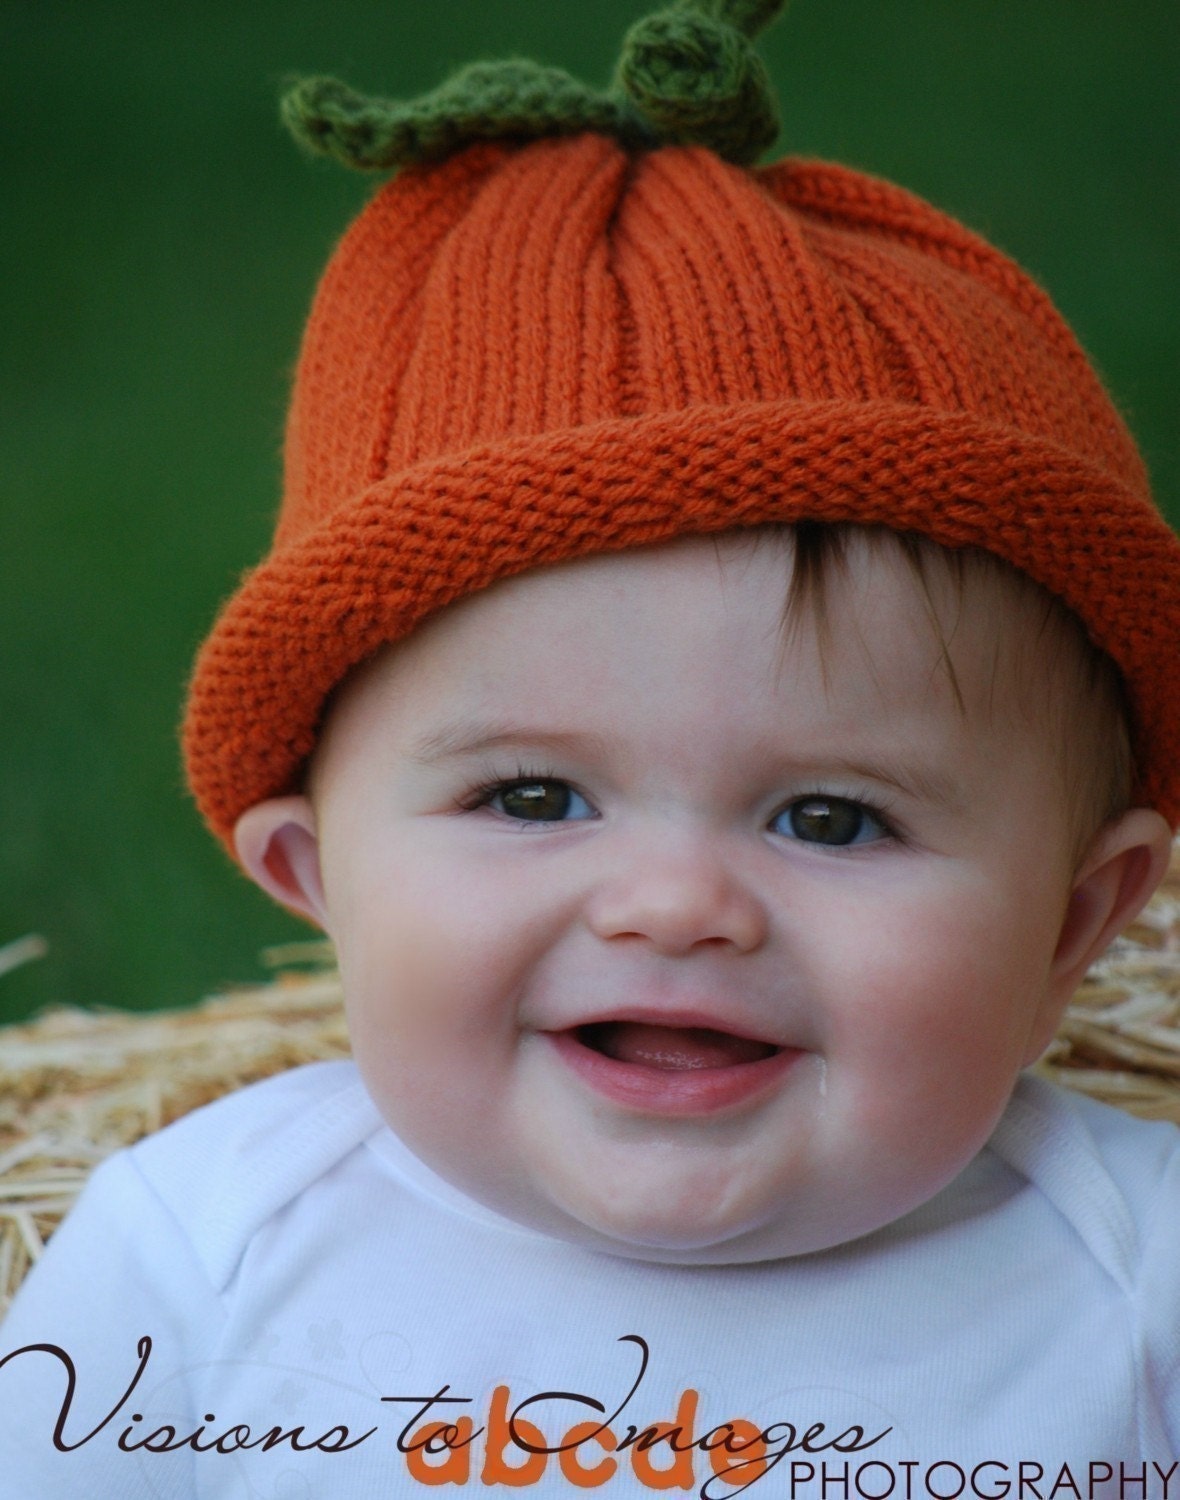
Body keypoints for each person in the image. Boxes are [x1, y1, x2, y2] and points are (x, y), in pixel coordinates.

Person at [4, 1, 1180, 1493]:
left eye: (831, 820)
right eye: (535, 796)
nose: (674, 903)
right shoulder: (199, 1258)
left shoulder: (1139, 1287)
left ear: (1080, 918)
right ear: (316, 868)